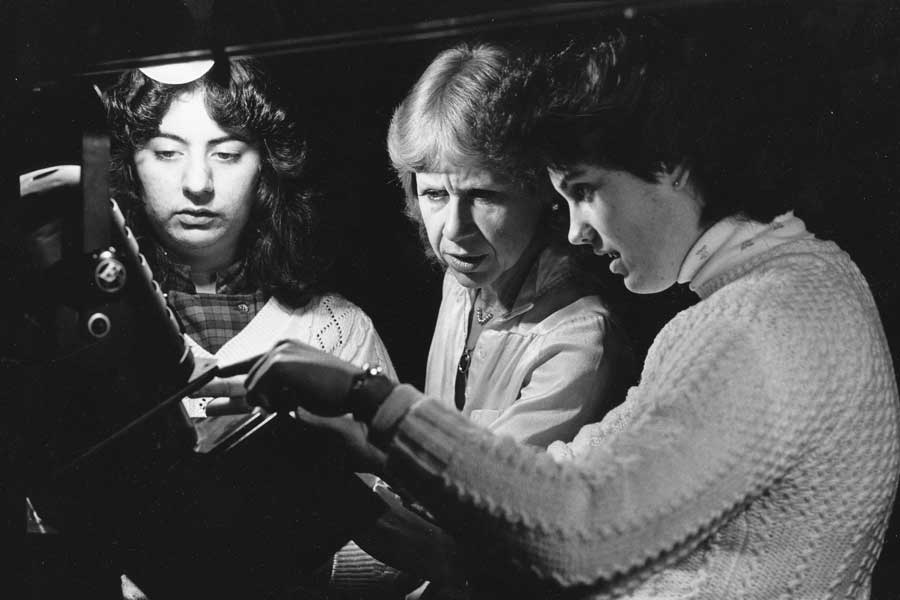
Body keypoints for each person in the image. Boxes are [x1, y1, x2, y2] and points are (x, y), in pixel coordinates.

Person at [237, 22, 900, 599]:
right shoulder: (808, 275)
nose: (576, 231)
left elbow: (574, 538)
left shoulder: (747, 326)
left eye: (584, 192)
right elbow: (577, 478)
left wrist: (370, 398)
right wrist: (374, 442)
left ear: (669, 162)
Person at [325, 42, 633, 598]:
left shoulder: (581, 336)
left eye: (486, 193)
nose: (454, 229)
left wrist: (342, 447)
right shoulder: (465, 279)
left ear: (544, 193)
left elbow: (474, 520)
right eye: (435, 193)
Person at [100, 58, 396, 597]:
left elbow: (391, 530)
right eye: (167, 153)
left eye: (228, 153)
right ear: (130, 165)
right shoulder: (91, 340)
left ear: (265, 166)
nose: (197, 183)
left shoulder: (335, 330)